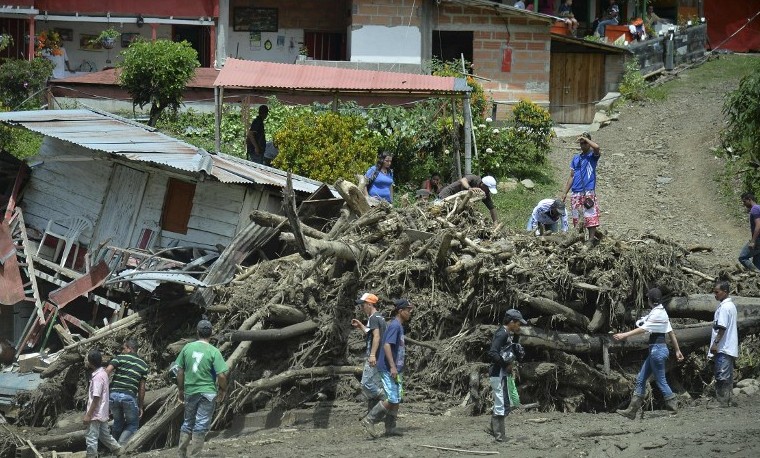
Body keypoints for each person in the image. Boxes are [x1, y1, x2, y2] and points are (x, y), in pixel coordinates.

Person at [613, 287, 684, 419]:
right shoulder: (661, 311)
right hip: (657, 350)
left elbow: (644, 328)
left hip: (657, 350)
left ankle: (674, 408)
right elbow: (671, 333)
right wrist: (677, 350)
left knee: (660, 380)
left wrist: (624, 335)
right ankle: (632, 410)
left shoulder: (657, 313)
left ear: (650, 300)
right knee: (641, 378)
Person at [175, 319, 229, 457]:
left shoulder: (187, 348)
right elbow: (221, 376)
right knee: (201, 424)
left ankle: (181, 454)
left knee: (187, 422)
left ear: (197, 332)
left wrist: (180, 389)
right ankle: (195, 456)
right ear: (211, 333)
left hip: (190, 391)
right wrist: (223, 390)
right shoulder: (214, 351)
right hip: (208, 393)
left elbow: (179, 371)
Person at [362, 298, 414, 438]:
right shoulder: (395, 326)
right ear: (400, 311)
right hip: (387, 368)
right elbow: (386, 346)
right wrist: (392, 367)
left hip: (396, 368)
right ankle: (369, 419)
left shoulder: (399, 326)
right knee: (391, 398)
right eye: (408, 310)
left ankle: (390, 428)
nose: (410, 312)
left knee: (396, 397)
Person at [487, 309, 527, 442]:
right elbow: (493, 353)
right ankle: (499, 436)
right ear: (511, 322)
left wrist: (517, 336)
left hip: (501, 373)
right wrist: (505, 365)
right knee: (502, 403)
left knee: (504, 401)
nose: (519, 326)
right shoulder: (501, 334)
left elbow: (511, 348)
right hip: (498, 373)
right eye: (518, 323)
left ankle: (493, 429)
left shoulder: (507, 333)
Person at [561, 131, 602, 247]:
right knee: (577, 218)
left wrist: (586, 138)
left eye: (584, 143)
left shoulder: (592, 157)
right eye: (581, 143)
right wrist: (565, 192)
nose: (582, 145)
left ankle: (590, 240)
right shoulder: (576, 158)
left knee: (590, 217)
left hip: (587, 191)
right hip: (575, 192)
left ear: (589, 143)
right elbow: (571, 176)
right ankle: (579, 240)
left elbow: (597, 147)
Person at [106, 338, 149, 445]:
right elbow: (142, 388)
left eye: (123, 348)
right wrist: (140, 406)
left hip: (113, 395)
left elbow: (107, 371)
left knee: (118, 422)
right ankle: (121, 446)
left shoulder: (120, 358)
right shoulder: (143, 365)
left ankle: (113, 447)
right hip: (128, 397)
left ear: (129, 349)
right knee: (133, 424)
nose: (122, 350)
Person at [350, 293, 387, 414]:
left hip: (375, 357)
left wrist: (372, 355)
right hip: (381, 356)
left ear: (370, 304)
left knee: (366, 384)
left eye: (363, 305)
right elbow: (370, 332)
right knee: (375, 383)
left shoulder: (374, 318)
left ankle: (386, 398)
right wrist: (361, 325)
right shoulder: (378, 317)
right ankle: (373, 412)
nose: (361, 308)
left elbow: (376, 337)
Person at [84, 349, 123, 458]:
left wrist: (88, 415)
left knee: (91, 438)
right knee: (105, 436)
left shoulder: (97, 377)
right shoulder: (103, 373)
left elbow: (96, 397)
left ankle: (91, 456)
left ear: (90, 362)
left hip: (95, 413)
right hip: (102, 411)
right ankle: (119, 450)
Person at [709, 281, 738, 407]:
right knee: (727, 374)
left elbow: (722, 327)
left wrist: (715, 343)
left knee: (721, 374)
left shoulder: (725, 307)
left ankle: (721, 401)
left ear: (725, 292)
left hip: (723, 346)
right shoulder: (730, 306)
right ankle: (728, 399)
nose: (715, 295)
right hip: (729, 346)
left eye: (717, 292)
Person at [738, 192, 760, 272]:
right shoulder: (759, 208)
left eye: (744, 201)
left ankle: (756, 273)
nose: (744, 204)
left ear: (749, 199)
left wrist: (753, 241)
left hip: (758, 240)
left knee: (743, 257)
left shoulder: (754, 209)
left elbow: (758, 225)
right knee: (757, 263)